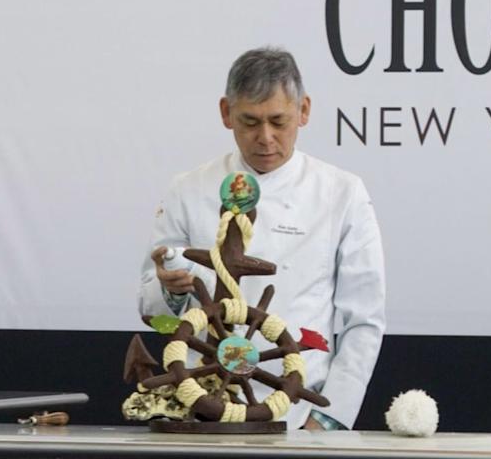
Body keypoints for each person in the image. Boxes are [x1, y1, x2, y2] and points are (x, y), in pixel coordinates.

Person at [138, 47, 385, 430]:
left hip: (296, 411)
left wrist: (328, 417)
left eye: (278, 121)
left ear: (304, 110)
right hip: (198, 407)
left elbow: (364, 320)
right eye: (249, 122)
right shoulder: (187, 190)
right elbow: (153, 313)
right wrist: (169, 289)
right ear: (226, 112)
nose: (265, 138)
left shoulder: (342, 193)